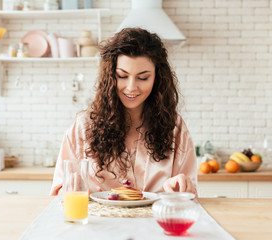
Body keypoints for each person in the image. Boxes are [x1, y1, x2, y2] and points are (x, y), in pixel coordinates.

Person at [50, 27, 197, 196]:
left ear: (157, 78)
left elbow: (188, 195)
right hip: (100, 222)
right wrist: (68, 188)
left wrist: (179, 187)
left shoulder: (175, 128)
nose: (131, 87)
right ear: (110, 76)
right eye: (122, 75)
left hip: (154, 222)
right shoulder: (84, 127)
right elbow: (59, 194)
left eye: (143, 77)